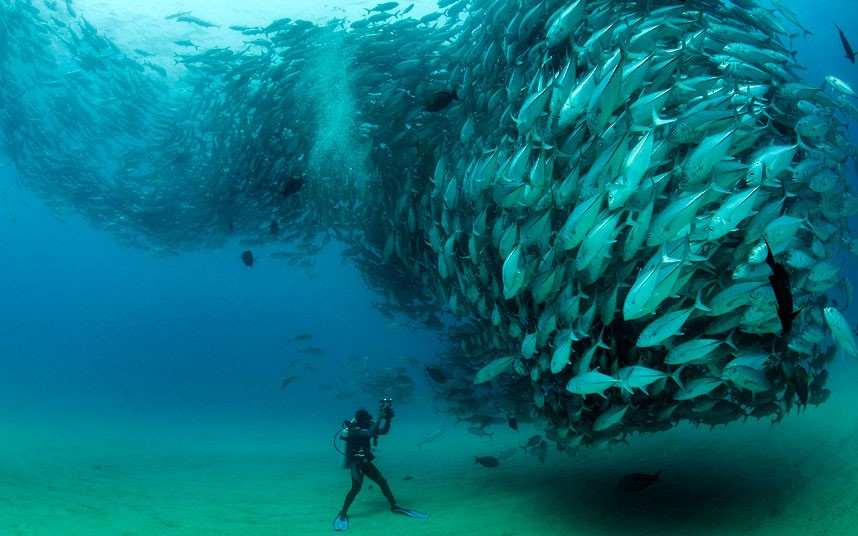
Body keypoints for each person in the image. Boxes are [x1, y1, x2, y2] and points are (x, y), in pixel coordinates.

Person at [333, 400, 428, 531]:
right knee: (356, 488)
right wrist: (379, 418)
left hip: (365, 462)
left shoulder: (368, 425)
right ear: (361, 419)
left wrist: (388, 420)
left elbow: (383, 431)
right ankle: (343, 511)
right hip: (356, 463)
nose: (369, 421)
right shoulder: (354, 430)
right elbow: (368, 433)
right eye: (367, 419)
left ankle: (394, 505)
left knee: (383, 482)